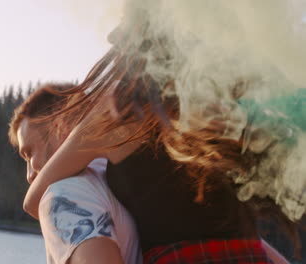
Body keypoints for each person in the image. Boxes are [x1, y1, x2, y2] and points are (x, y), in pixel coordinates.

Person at [20, 4, 297, 264]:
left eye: (127, 23)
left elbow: (35, 199)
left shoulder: (118, 109)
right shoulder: (226, 99)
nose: (113, 35)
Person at [8, 83, 142, 264]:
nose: (29, 175)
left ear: (60, 127)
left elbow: (31, 203)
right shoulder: (125, 186)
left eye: (29, 153)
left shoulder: (64, 195)